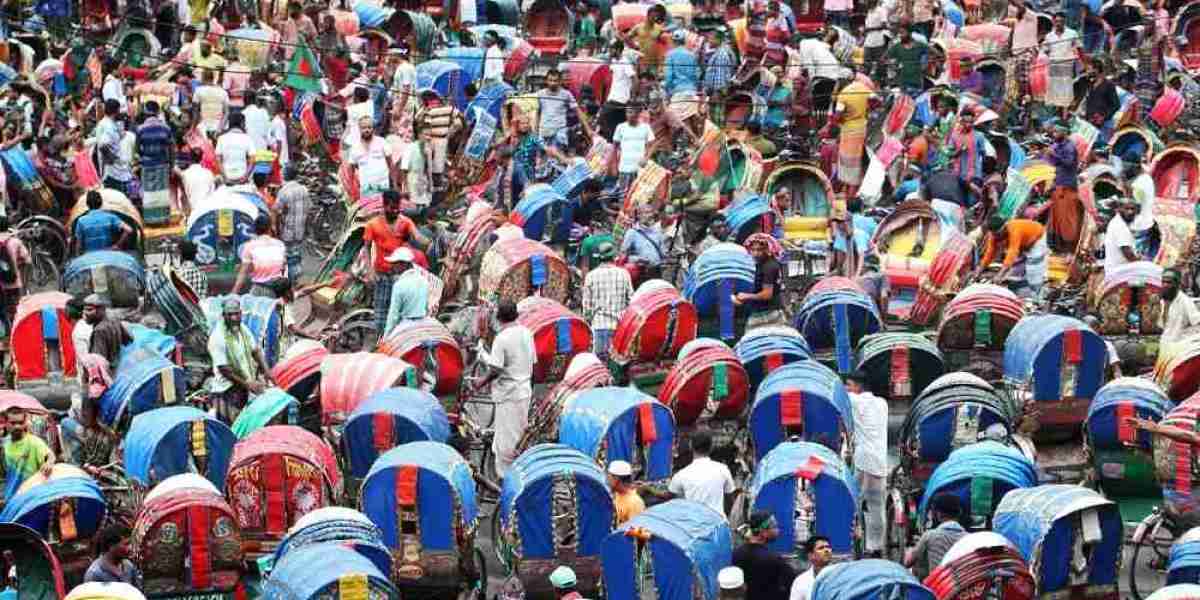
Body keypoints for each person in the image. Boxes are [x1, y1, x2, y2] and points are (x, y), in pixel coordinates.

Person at [472, 300, 535, 478]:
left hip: (509, 395)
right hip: (524, 392)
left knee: (507, 443)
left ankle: (506, 479)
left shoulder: (502, 338)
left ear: (498, 318)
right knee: (519, 435)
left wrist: (480, 383)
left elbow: (496, 369)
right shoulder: (527, 333)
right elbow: (532, 363)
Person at [361, 191, 427, 334]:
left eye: (398, 208)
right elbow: (365, 249)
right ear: (384, 206)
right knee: (381, 315)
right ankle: (381, 340)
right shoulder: (372, 225)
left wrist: (427, 241)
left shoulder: (405, 222)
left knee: (401, 315)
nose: (396, 211)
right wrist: (370, 271)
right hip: (382, 275)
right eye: (392, 208)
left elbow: (418, 236)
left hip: (400, 276)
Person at [207, 298, 273, 424]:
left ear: (241, 313)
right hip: (227, 391)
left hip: (244, 386)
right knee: (233, 428)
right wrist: (248, 384)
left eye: (237, 314)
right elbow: (225, 370)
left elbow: (256, 351)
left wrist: (267, 371)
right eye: (230, 315)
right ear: (223, 315)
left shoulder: (242, 329)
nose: (234, 318)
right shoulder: (217, 337)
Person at [845, 371, 887, 557]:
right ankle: (875, 545)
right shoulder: (882, 403)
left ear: (857, 387)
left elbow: (839, 395)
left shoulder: (856, 400)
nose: (847, 388)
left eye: (849, 385)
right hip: (879, 459)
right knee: (877, 504)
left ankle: (871, 545)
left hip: (865, 460)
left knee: (866, 502)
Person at [581, 241, 633, 362]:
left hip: (599, 326)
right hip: (619, 327)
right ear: (614, 257)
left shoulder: (591, 276)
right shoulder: (624, 274)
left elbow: (586, 307)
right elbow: (631, 301)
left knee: (600, 366)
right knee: (617, 365)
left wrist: (588, 323)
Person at [664, 430, 735, 516]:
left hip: (694, 524)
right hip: (718, 523)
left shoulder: (681, 475)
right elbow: (730, 499)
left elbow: (669, 498)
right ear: (711, 447)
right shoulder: (723, 469)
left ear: (690, 445)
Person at [977, 216, 1049, 298]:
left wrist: (999, 275)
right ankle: (1022, 287)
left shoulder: (1014, 230)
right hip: (1025, 243)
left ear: (1004, 227)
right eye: (995, 234)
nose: (998, 236)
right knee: (1016, 270)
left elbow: (1012, 252)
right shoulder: (993, 235)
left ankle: (1036, 294)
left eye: (999, 233)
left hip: (1038, 238)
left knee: (1033, 268)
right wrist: (979, 269)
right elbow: (990, 253)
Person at [732, 511, 796, 599]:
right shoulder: (774, 560)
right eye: (775, 527)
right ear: (763, 532)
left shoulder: (737, 553)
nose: (778, 530)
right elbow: (793, 583)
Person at [904, 493, 967, 579]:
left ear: (938, 514)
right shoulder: (969, 538)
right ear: (960, 512)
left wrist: (910, 550)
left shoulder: (930, 535)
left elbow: (907, 563)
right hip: (962, 588)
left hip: (936, 587)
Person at [2, 408, 55, 499]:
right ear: (6, 423)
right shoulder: (3, 445)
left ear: (25, 422)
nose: (17, 426)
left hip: (31, 497)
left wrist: (48, 463)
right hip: (9, 498)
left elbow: (50, 455)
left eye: (21, 422)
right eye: (13, 423)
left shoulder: (34, 442)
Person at [735, 234, 784, 327]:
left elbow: (767, 294)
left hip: (767, 313)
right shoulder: (760, 264)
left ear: (767, 249)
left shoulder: (769, 267)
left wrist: (746, 296)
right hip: (762, 310)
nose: (755, 253)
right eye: (753, 250)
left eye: (759, 250)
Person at [1046, 121, 1082, 247]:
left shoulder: (1069, 147)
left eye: (1056, 131)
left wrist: (1053, 155)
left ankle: (1069, 246)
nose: (1054, 134)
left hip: (1067, 186)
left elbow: (1069, 163)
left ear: (1064, 132)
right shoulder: (1057, 145)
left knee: (1066, 218)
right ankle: (1057, 245)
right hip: (1057, 184)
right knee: (1057, 217)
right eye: (1054, 131)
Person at [272, 165, 308, 284]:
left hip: (288, 229)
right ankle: (295, 278)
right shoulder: (304, 189)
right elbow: (309, 207)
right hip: (300, 229)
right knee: (296, 252)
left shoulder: (284, 191)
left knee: (288, 255)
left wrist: (274, 228)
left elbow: (275, 210)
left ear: (285, 176)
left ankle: (291, 281)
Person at [234, 217, 287, 296]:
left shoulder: (250, 246)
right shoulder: (280, 244)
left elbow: (243, 274)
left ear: (255, 230)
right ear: (270, 228)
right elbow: (283, 267)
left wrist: (233, 292)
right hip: (278, 289)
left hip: (259, 289)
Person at [384, 247, 429, 334]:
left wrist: (386, 336)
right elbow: (426, 308)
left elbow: (393, 316)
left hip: (406, 326)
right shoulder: (424, 281)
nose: (392, 266)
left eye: (395, 264)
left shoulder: (399, 285)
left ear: (403, 265)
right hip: (423, 324)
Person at [96, 99, 134, 197]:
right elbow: (103, 145)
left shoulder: (105, 123)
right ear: (116, 111)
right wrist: (111, 159)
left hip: (111, 170)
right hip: (113, 172)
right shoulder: (109, 126)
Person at [612, 105, 655, 189]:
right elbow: (614, 148)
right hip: (624, 168)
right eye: (627, 112)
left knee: (638, 197)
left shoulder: (645, 127)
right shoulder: (620, 127)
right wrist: (614, 165)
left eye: (631, 112)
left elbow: (652, 145)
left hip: (640, 169)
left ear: (638, 113)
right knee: (623, 195)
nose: (629, 115)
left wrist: (646, 158)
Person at [537, 70, 583, 149]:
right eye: (550, 80)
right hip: (543, 132)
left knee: (556, 158)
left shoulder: (566, 94)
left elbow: (578, 111)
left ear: (559, 81)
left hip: (559, 133)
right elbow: (536, 113)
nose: (552, 83)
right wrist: (535, 131)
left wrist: (588, 130)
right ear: (546, 81)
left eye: (555, 81)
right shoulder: (540, 94)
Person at [0, 215, 30, 332]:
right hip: (14, 284)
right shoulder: (15, 241)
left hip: (0, 286)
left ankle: (5, 335)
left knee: (3, 312)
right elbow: (28, 261)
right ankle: (17, 333)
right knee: (16, 310)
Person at [84, 294, 132, 367]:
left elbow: (98, 361)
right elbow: (128, 340)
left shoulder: (99, 331)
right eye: (85, 310)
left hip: (109, 372)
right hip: (118, 367)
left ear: (101, 310)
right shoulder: (114, 320)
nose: (85, 313)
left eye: (90, 310)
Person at [621, 206, 666, 280]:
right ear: (639, 215)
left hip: (656, 272)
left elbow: (663, 253)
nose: (650, 215)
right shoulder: (632, 233)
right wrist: (637, 259)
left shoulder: (658, 232)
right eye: (646, 213)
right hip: (640, 273)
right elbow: (623, 255)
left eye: (651, 212)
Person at [215, 112, 257, 186]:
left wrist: (225, 177)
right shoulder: (248, 138)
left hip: (227, 178)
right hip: (242, 177)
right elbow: (253, 160)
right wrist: (245, 177)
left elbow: (218, 160)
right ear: (241, 124)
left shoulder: (221, 138)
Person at [1161, 268, 1200, 346]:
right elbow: (1162, 326)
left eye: (1169, 282)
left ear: (1177, 284)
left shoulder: (1185, 301)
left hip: (1180, 346)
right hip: (1165, 344)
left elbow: (1197, 322)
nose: (1165, 285)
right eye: (1163, 282)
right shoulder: (1163, 301)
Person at [789, 536, 833, 600]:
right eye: (821, 548)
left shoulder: (839, 576)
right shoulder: (801, 581)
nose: (826, 550)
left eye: (828, 547)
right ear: (810, 555)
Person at [1104, 198, 1140, 272]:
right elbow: (1128, 254)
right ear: (1119, 209)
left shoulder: (1119, 222)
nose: (1130, 212)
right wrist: (1142, 264)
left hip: (1118, 269)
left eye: (1132, 209)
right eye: (1126, 209)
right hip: (1120, 272)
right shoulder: (1120, 226)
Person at [663, 30, 700, 97]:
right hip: (691, 91)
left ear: (673, 41)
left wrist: (667, 89)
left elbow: (668, 76)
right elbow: (696, 75)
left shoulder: (670, 55)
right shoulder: (692, 55)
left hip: (677, 91)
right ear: (684, 41)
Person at [608, 460, 645, 525]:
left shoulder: (635, 503)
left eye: (609, 477)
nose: (607, 480)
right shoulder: (617, 493)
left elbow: (635, 531)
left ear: (616, 479)